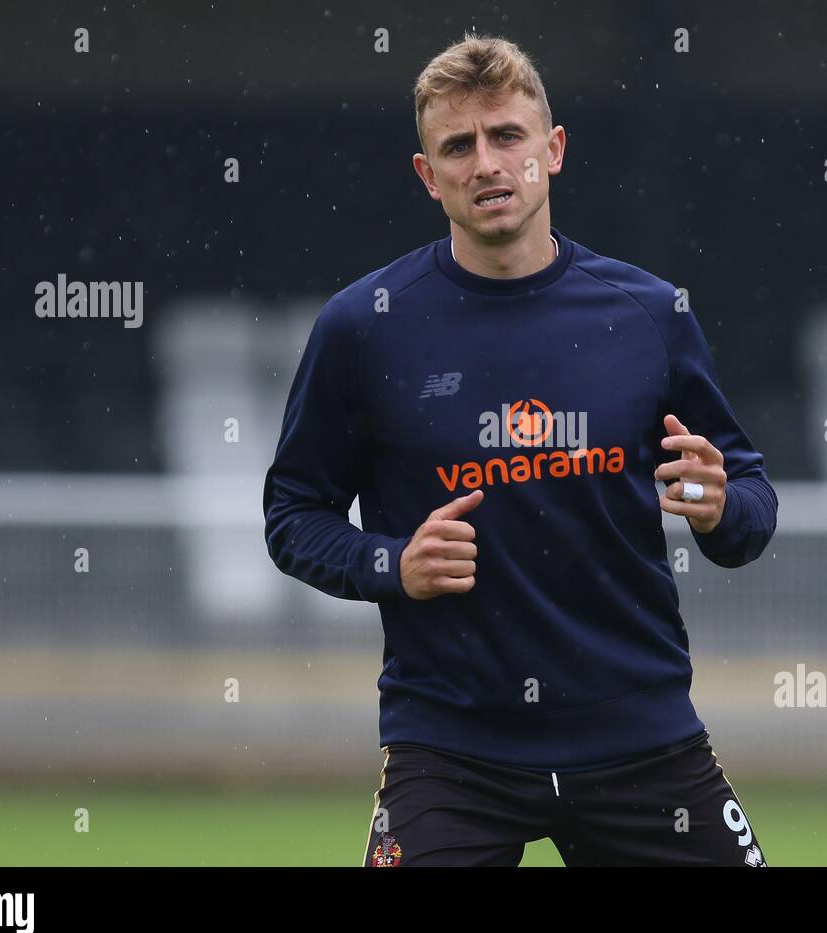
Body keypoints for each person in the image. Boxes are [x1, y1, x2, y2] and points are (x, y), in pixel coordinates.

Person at [263, 32, 778, 866]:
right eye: (458, 146)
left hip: (638, 735)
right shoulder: (364, 328)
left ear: (553, 149)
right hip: (450, 749)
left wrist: (721, 509)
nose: (486, 163)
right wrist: (392, 564)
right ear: (429, 176)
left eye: (506, 136)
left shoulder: (648, 313)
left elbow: (750, 506)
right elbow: (292, 515)